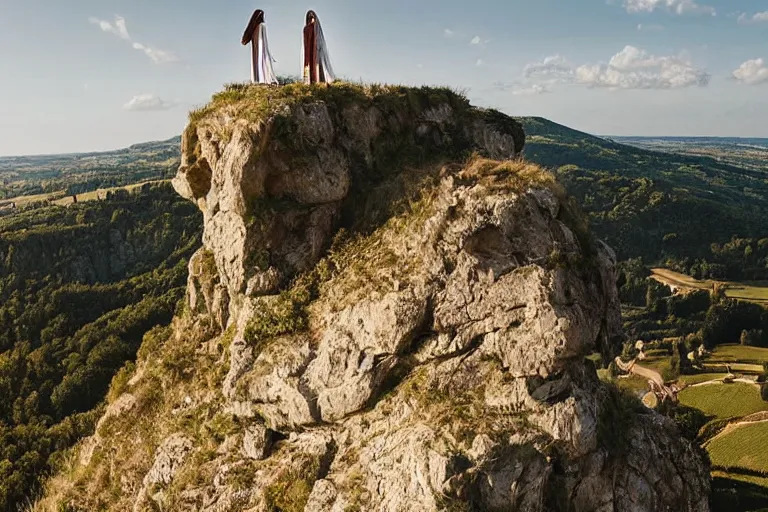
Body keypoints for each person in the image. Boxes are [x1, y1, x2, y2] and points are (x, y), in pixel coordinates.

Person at [241, 9, 278, 85]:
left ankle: (258, 79)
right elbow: (263, 41)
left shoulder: (255, 29)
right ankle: (263, 79)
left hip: (257, 50)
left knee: (257, 63)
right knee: (261, 63)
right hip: (261, 49)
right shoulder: (261, 26)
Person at [302, 10, 335, 84]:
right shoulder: (307, 28)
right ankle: (308, 81)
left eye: (312, 17)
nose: (311, 19)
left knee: (317, 65)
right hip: (309, 50)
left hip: (315, 49)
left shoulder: (315, 27)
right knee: (308, 65)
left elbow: (318, 38)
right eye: (310, 17)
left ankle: (319, 80)